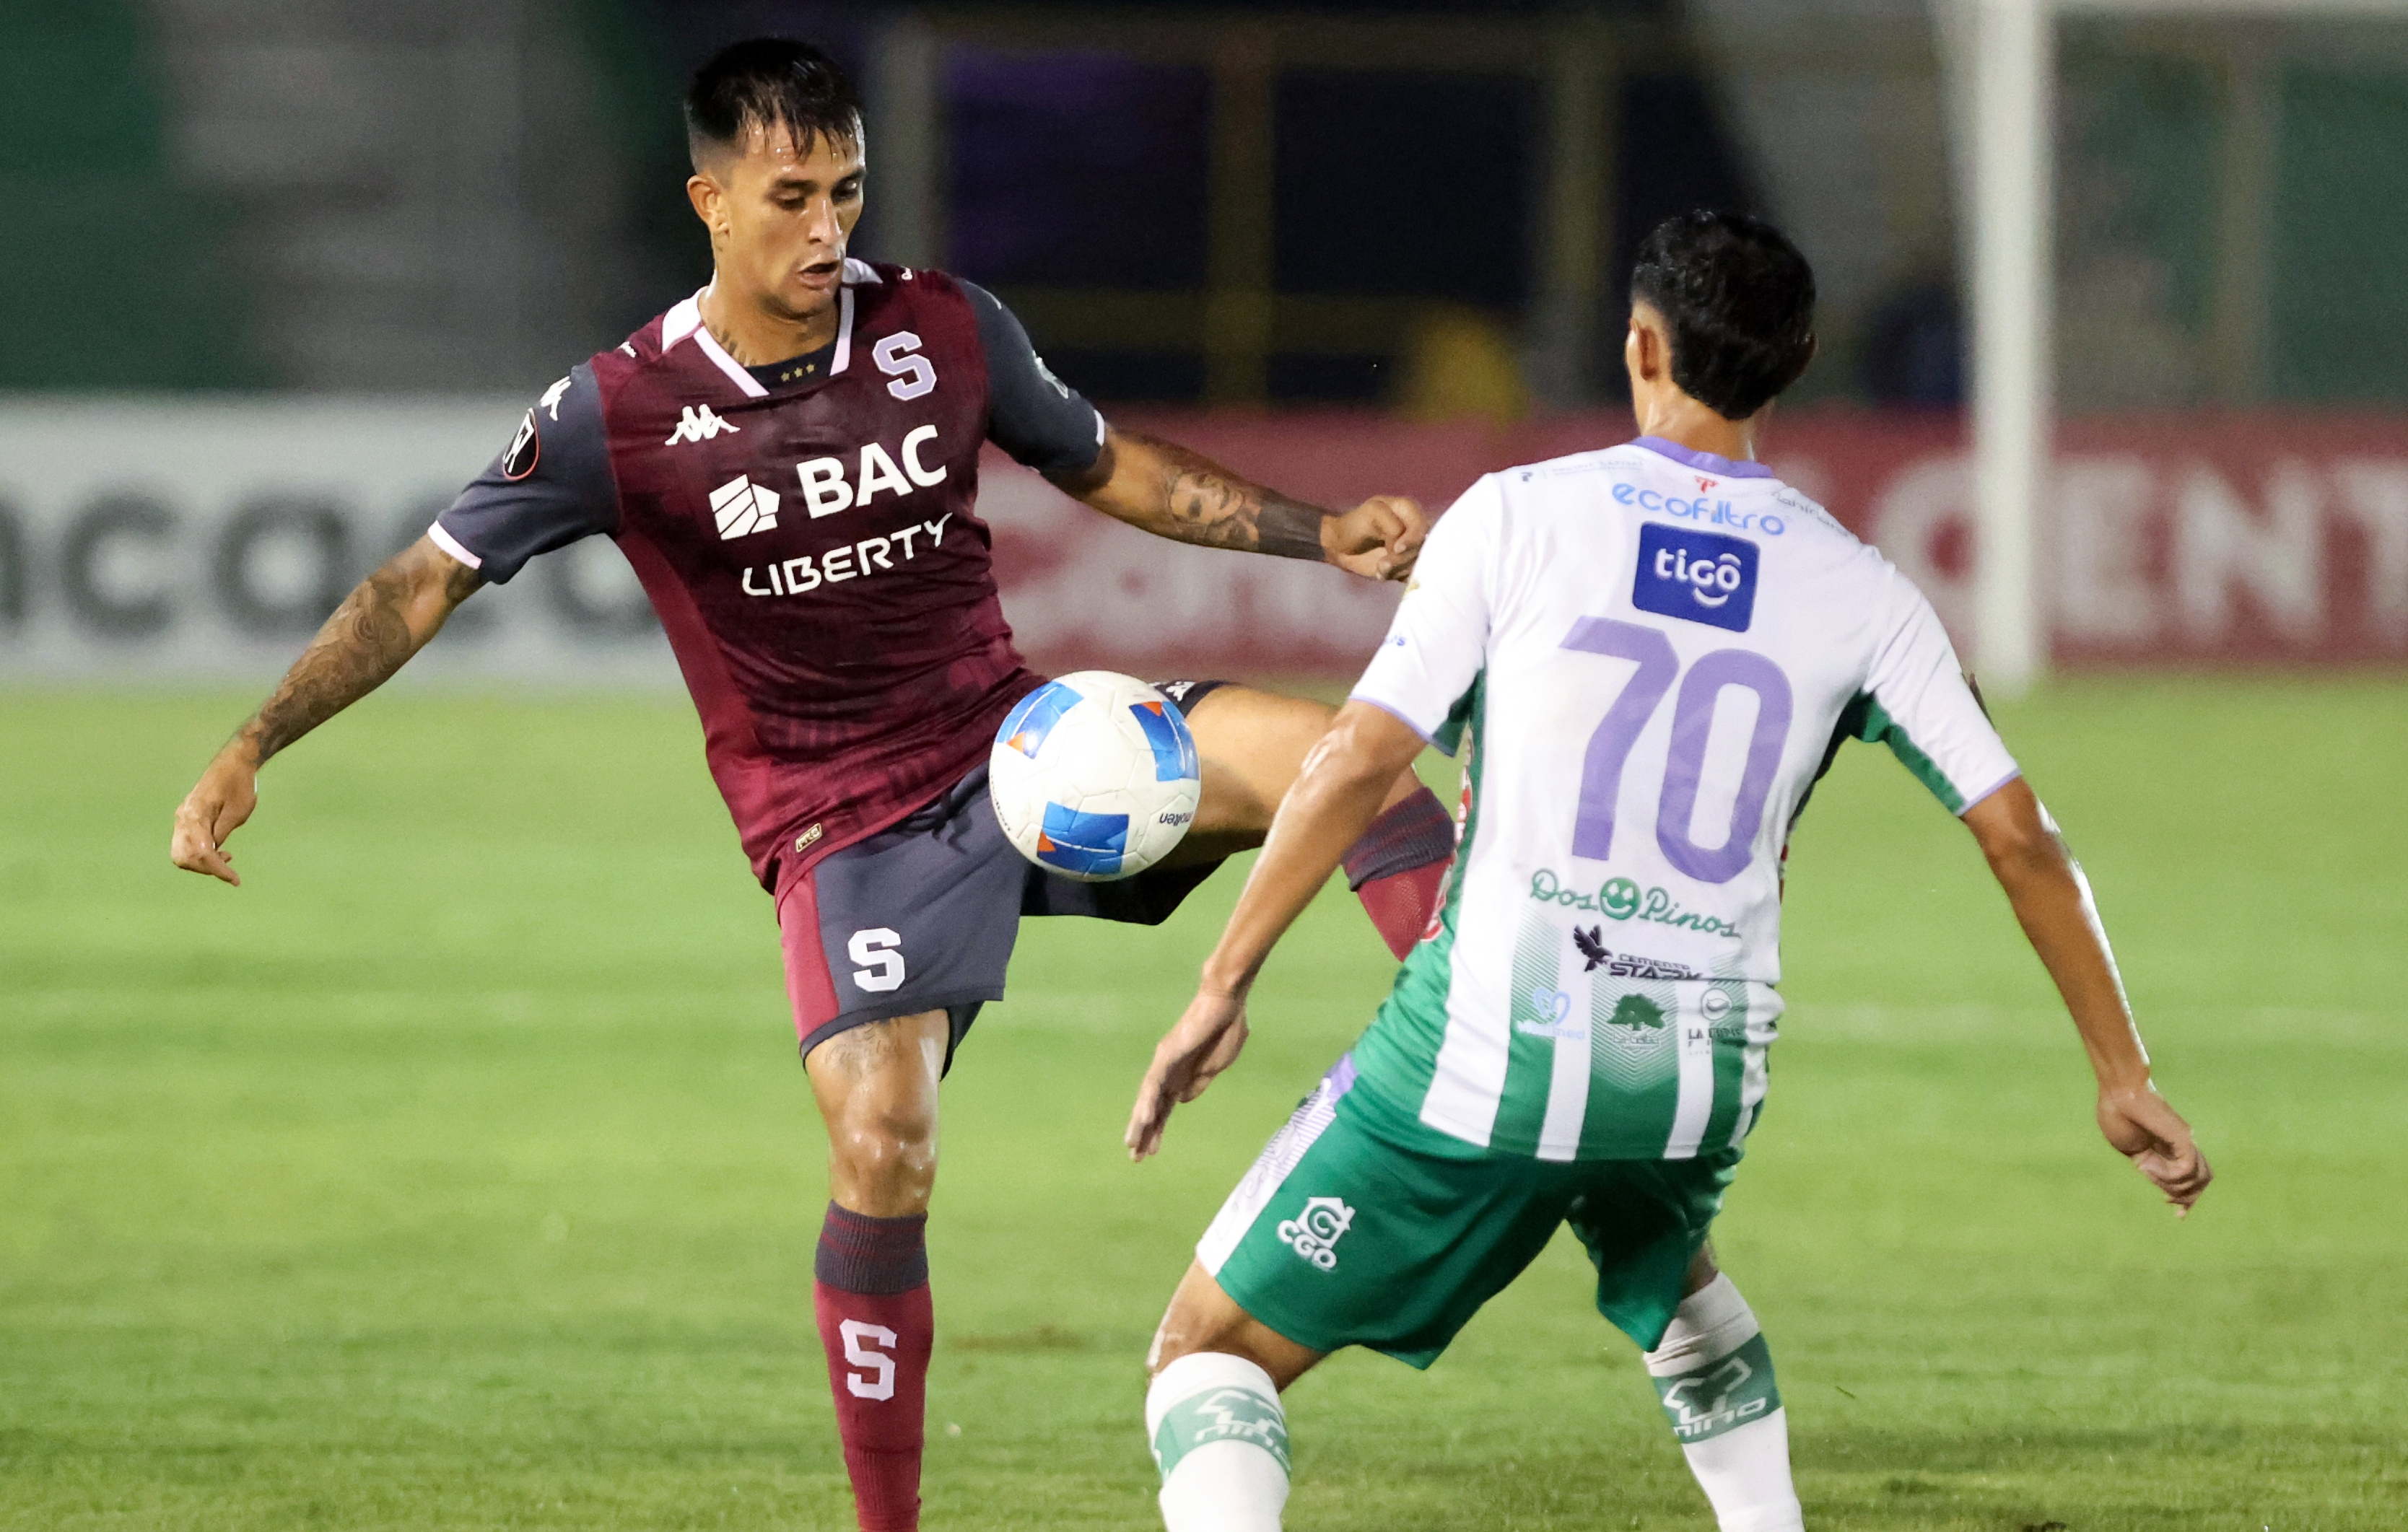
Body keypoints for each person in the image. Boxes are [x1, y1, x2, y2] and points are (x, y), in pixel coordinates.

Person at [167, 38, 1461, 1532]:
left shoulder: (941, 328)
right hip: (842, 823)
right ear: (711, 198)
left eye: (847, 191)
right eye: (792, 197)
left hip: (1027, 745)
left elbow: (1112, 468)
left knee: (1357, 767)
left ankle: (1469, 1066)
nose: (828, 228)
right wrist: (256, 740)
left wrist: (1321, 535)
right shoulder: (619, 411)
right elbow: (421, 584)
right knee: (884, 1143)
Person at [1122, 210, 2213, 1532]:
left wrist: (1221, 982)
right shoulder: (1865, 589)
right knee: (1666, 1261)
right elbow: (2020, 835)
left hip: (1492, 1057)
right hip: (1702, 1077)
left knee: (1206, 1354)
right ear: (1796, 362)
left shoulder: (1516, 518)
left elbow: (1355, 759)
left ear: (1640, 344)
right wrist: (2121, 1075)